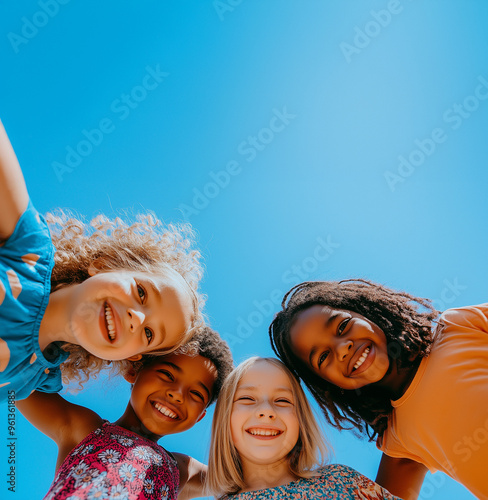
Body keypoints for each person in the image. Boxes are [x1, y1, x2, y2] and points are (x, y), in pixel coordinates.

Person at [0, 120, 203, 401]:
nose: (137, 318)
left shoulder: (33, 380)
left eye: (148, 334)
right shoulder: (27, 251)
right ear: (106, 264)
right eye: (141, 292)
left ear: (131, 356)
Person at [269, 279, 488, 499]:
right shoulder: (399, 441)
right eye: (324, 357)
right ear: (330, 385)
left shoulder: (458, 326)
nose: (342, 349)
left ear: (367, 312)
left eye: (343, 326)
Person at [16, 326, 234, 499]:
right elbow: (16, 376)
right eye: (167, 374)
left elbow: (242, 476)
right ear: (133, 370)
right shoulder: (84, 427)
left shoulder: (183, 469)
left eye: (196, 394)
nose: (177, 395)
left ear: (200, 417)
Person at [206, 356, 400, 499]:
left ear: (301, 420)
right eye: (247, 399)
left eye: (282, 400)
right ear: (224, 419)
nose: (266, 411)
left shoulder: (342, 481)